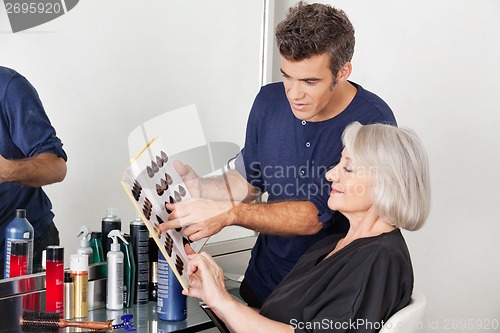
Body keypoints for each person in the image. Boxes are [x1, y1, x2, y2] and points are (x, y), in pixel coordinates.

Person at [161, 2, 397, 307]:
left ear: (342, 72)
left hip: (326, 297)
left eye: (310, 81)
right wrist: (202, 188)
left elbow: (314, 217)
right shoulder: (268, 102)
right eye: (287, 76)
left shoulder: (373, 123)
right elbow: (249, 181)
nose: (293, 93)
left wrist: (230, 214)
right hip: (264, 285)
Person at [184, 122, 431, 332]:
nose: (330, 175)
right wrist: (213, 296)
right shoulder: (334, 244)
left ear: (384, 184)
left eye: (348, 167)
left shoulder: (380, 260)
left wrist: (222, 300)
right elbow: (280, 321)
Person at [0, 66, 67, 277]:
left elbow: (56, 167)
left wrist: (8, 170)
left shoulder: (9, 87)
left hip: (26, 248)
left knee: (32, 312)